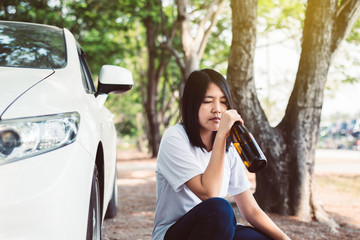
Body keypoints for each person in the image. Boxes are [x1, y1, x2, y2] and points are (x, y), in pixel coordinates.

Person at [152, 69, 291, 240]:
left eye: (223, 102)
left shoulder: (230, 149)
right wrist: (221, 136)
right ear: (191, 104)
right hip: (176, 233)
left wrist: (285, 239)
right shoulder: (175, 137)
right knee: (219, 208)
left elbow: (251, 210)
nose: (217, 109)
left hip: (217, 231)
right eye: (207, 101)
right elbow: (208, 193)